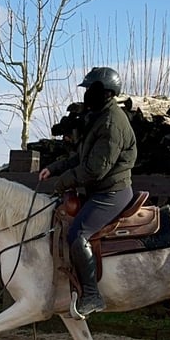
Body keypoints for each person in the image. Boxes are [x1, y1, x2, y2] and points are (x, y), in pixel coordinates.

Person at [39, 66, 137, 318]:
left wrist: (63, 183)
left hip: (111, 192)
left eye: (89, 90)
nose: (85, 96)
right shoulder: (98, 116)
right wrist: (54, 168)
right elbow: (82, 157)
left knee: (78, 233)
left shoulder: (112, 123)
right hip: (100, 190)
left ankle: (92, 295)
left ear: (104, 92)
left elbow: (95, 169)